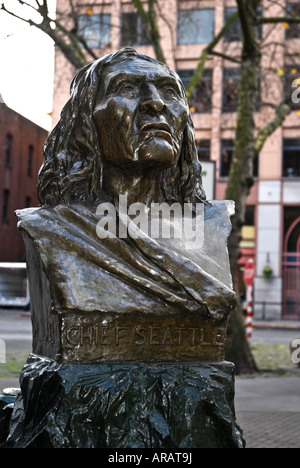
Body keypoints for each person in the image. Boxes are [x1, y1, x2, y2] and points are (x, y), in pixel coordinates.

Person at [17, 48, 236, 322]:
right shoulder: (55, 228)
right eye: (129, 89)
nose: (156, 103)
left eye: (170, 93)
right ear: (86, 121)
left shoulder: (211, 225)